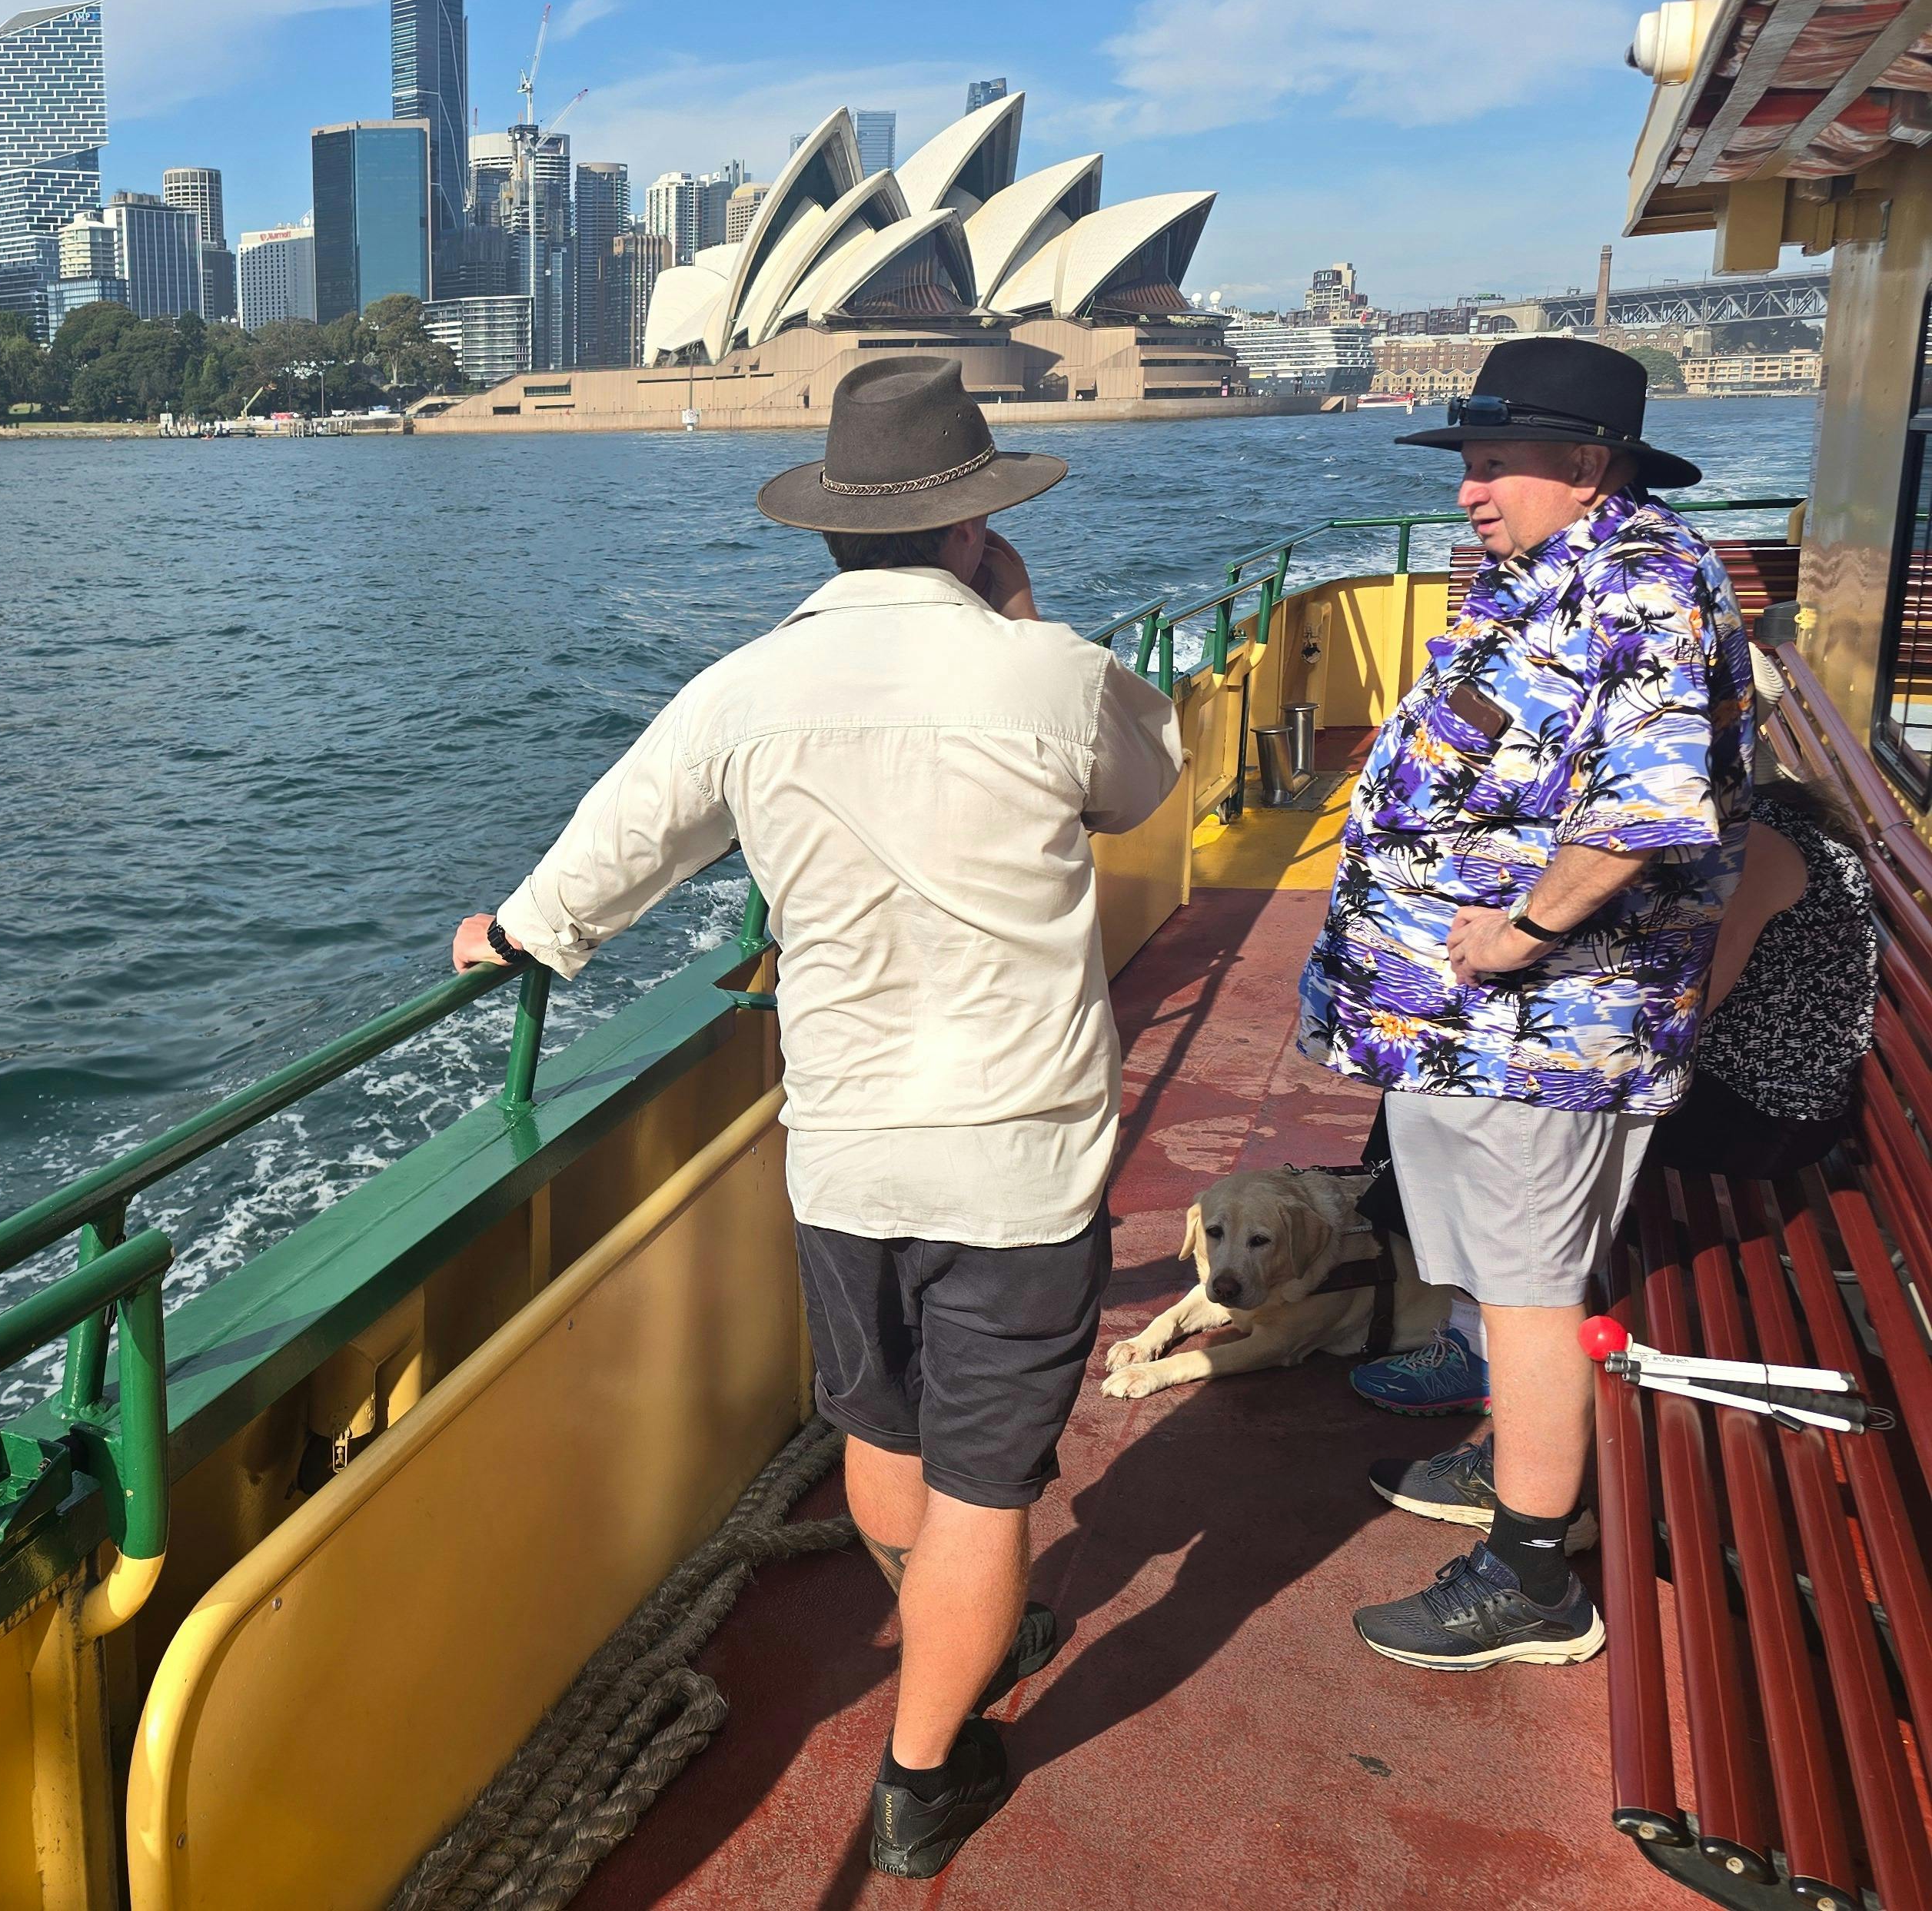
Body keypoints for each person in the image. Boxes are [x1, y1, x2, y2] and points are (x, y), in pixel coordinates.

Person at [450, 358, 1181, 1879]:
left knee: (877, 1424)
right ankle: (924, 1774)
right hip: (1016, 1156)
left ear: (831, 530)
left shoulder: (741, 687)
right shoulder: (1044, 672)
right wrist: (1032, 632)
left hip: (844, 1147)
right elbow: (1143, 789)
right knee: (985, 1489)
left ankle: (939, 1626)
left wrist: (513, 934)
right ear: (976, 526)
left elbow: (612, 846)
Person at [1296, 336, 1754, 1670]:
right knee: (1511, 1283)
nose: (1470, 492)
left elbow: (1643, 815)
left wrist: (1521, 935)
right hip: (1484, 1028)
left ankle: (1534, 1577)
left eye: (1495, 464)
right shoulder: (1556, 574)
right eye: (1470, 463)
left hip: (1545, 1028)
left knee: (1531, 1289)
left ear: (1587, 462)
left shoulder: (1642, 588)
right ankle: (1524, 1464)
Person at [1347, 734, 1876, 1417]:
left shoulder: (1758, 851)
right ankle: (1433, 1280)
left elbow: (1687, 1004)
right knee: (1449, 1070)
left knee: (1488, 1091)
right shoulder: (1753, 824)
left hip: (1764, 1115)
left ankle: (1479, 1348)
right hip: (1745, 1080)